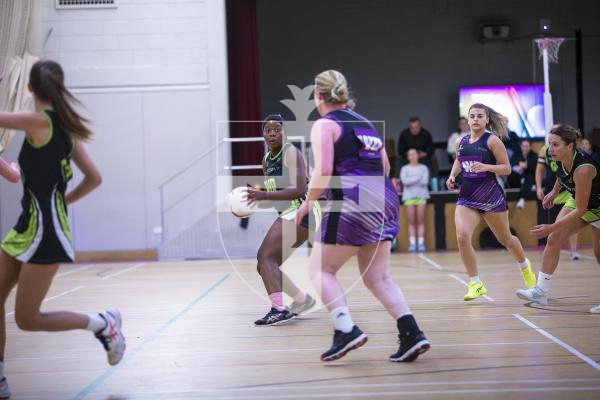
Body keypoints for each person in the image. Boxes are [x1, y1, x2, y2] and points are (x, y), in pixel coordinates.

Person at [0, 59, 124, 399]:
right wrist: (63, 201)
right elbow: (94, 178)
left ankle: (102, 324)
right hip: (28, 224)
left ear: (30, 89)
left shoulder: (39, 121)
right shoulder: (64, 129)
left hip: (46, 233)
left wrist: (57, 206)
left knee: (28, 318)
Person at [296, 69, 429, 362]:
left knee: (320, 270)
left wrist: (307, 203)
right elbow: (385, 167)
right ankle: (412, 334)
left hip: (352, 201)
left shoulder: (325, 125)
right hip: (384, 200)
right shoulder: (366, 124)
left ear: (318, 96)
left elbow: (324, 171)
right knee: (377, 278)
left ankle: (346, 330)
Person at [446, 103, 536, 301]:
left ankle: (525, 268)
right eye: (472, 116)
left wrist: (485, 166)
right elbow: (459, 161)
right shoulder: (460, 141)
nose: (476, 119)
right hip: (467, 196)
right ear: (467, 120)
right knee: (462, 237)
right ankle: (475, 283)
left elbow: (506, 168)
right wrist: (452, 176)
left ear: (487, 120)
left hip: (490, 196)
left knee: (506, 239)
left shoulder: (493, 141)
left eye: (480, 116)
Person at [246, 114, 321, 326]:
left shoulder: (291, 152)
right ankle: (302, 300)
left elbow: (299, 189)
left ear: (283, 132)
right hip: (288, 211)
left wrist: (265, 195)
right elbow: (274, 197)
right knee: (266, 265)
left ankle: (278, 309)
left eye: (276, 129)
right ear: (263, 134)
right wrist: (253, 202)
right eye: (267, 130)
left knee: (264, 255)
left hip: (303, 210)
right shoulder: (266, 160)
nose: (272, 133)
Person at [516, 124, 600, 314]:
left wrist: (551, 226)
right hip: (579, 201)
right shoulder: (560, 158)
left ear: (570, 146)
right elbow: (561, 176)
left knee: (599, 255)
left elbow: (581, 209)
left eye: (555, 145)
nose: (550, 149)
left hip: (594, 206)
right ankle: (541, 291)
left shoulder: (584, 168)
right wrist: (553, 193)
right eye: (549, 144)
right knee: (554, 238)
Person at [535, 143, 580, 260]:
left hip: (569, 192)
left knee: (571, 222)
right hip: (552, 194)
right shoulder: (544, 150)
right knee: (554, 226)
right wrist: (539, 188)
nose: (552, 146)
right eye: (550, 142)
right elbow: (539, 170)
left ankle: (574, 251)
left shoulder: (568, 152)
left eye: (554, 142)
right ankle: (553, 250)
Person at [400, 148, 429, 252]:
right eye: (410, 154)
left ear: (418, 155)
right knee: (411, 221)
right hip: (409, 197)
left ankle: (421, 244)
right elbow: (404, 182)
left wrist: (411, 179)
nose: (412, 156)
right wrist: (417, 178)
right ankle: (412, 244)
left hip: (421, 196)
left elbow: (424, 182)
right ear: (408, 157)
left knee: (420, 221)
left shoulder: (424, 168)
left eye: (414, 154)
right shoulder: (404, 168)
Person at [508, 140, 537, 209]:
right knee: (513, 174)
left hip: (528, 179)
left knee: (529, 177)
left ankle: (522, 199)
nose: (525, 148)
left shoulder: (534, 156)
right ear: (521, 146)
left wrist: (526, 166)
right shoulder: (516, 154)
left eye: (527, 146)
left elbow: (535, 168)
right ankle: (526, 183)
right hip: (516, 180)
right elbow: (510, 165)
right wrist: (517, 167)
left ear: (530, 147)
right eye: (523, 146)